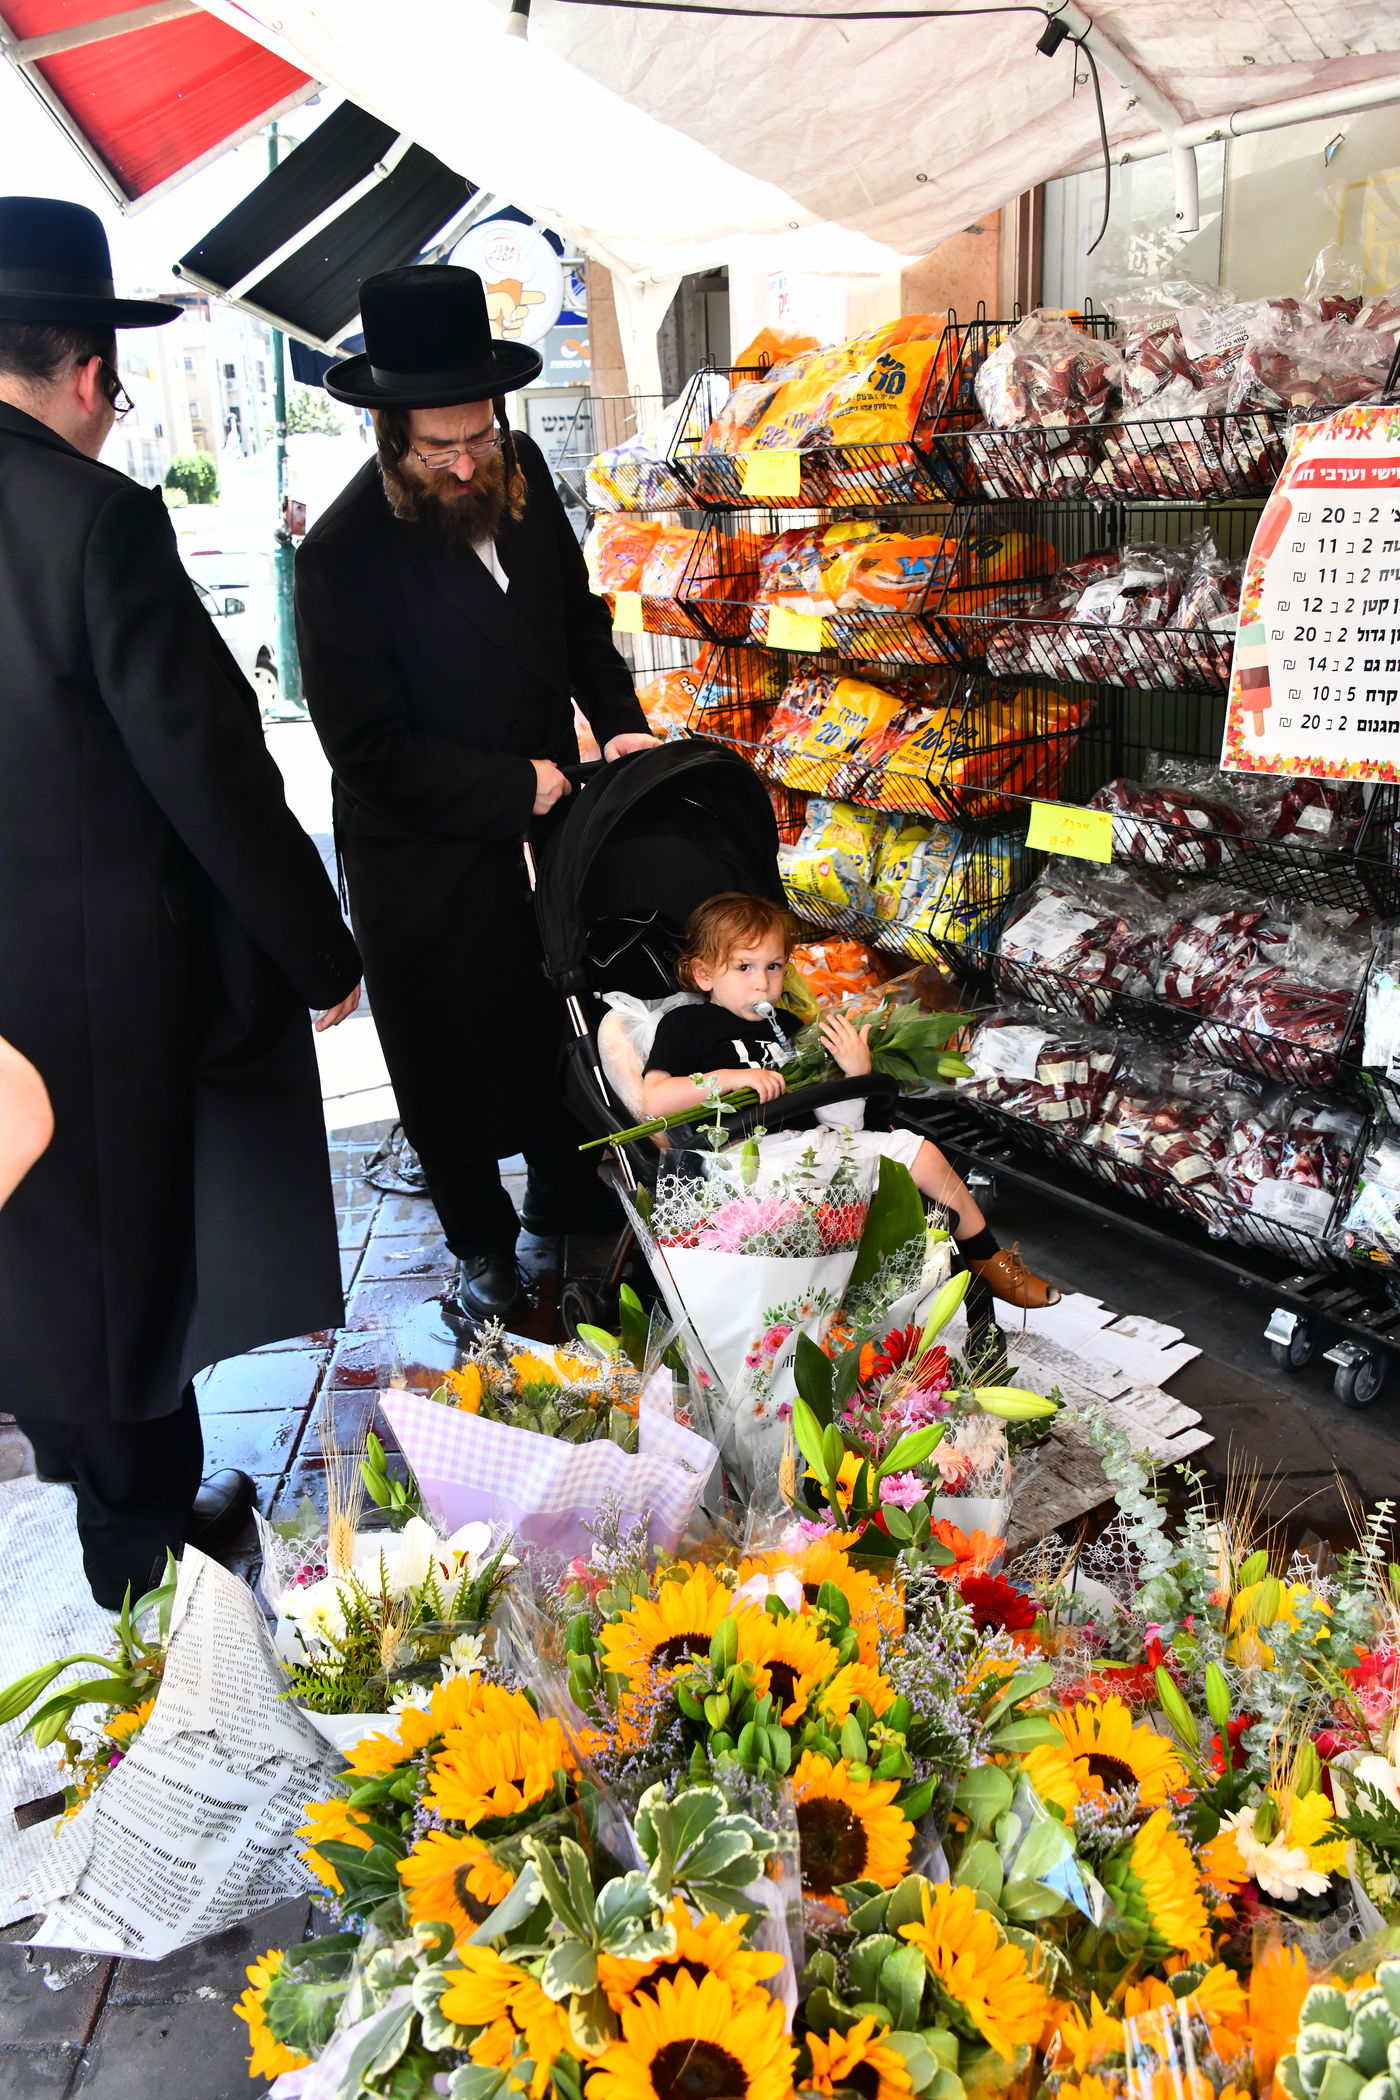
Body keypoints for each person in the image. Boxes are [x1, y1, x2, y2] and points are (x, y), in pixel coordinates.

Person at [0, 197, 363, 1608]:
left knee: (32, 1257)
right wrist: (319, 951)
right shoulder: (92, 521)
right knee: (121, 1271)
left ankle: (111, 1500)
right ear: (92, 372)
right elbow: (210, 768)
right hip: (92, 997)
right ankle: (142, 1559)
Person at [296, 264, 656, 1325]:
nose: (462, 466)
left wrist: (618, 713)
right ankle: (481, 1252)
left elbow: (578, 618)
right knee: (447, 1062)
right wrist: (515, 783)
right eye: (436, 448)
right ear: (389, 434)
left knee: (556, 1019)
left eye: (477, 438)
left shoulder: (526, 470)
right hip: (424, 849)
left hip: (545, 830)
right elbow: (364, 750)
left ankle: (567, 1201)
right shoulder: (342, 554)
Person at [642, 893, 1061, 1308]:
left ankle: (988, 1255)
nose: (762, 982)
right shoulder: (687, 1026)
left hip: (817, 1145)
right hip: (748, 1162)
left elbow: (842, 1125)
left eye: (773, 967)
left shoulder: (789, 1027)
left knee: (923, 1152)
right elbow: (655, 1098)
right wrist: (726, 1080)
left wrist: (853, 1072)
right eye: (744, 967)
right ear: (703, 974)